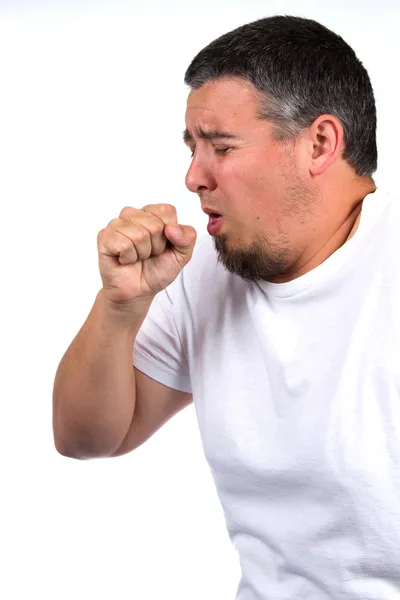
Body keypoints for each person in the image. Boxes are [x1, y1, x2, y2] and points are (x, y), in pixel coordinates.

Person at [52, 15, 400, 600]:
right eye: (192, 148)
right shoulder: (206, 271)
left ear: (320, 143)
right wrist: (121, 307)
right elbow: (87, 438)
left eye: (221, 147)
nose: (193, 177)